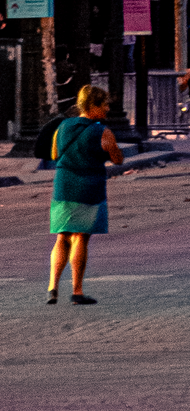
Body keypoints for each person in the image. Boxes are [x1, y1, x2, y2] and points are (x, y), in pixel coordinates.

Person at [47, 84, 122, 304]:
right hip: (89, 188)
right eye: (104, 104)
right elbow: (117, 159)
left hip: (63, 186)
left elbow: (54, 154)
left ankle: (53, 286)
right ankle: (77, 291)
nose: (107, 109)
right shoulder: (102, 131)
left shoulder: (62, 127)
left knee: (62, 236)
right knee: (80, 237)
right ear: (93, 105)